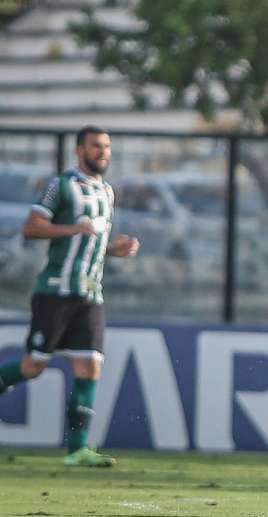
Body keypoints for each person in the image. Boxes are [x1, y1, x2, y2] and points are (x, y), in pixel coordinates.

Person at [0, 125, 140, 467]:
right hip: (55, 292)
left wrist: (114, 250)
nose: (103, 152)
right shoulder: (61, 185)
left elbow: (90, 244)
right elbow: (31, 227)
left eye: (107, 146)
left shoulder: (107, 192)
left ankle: (77, 450)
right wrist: (73, 228)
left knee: (90, 365)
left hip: (90, 293)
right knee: (34, 366)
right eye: (96, 146)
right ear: (80, 150)